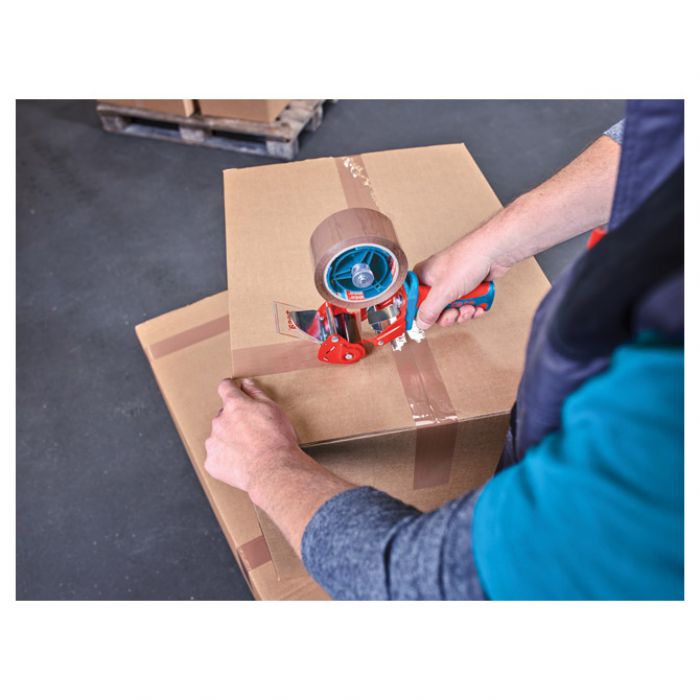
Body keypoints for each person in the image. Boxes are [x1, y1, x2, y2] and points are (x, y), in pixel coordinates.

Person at [204, 100, 684, 600]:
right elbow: (664, 145)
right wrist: (495, 244)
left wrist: (269, 466)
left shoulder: (660, 448)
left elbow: (427, 585)